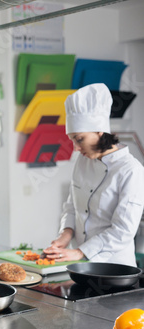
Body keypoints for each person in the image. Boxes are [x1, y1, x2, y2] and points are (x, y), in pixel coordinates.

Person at [43, 83, 144, 266]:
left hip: (115, 268)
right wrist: (64, 235)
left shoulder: (130, 170)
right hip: (81, 266)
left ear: (99, 131)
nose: (75, 148)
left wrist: (81, 252)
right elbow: (72, 206)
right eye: (72, 139)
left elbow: (123, 230)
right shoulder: (83, 161)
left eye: (79, 139)